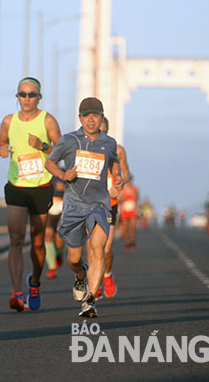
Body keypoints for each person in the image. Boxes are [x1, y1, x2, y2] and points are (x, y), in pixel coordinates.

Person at [45, 97, 123, 318]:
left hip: (99, 205)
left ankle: (90, 300)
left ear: (101, 118)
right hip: (74, 205)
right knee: (74, 259)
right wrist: (62, 174)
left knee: (97, 249)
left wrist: (118, 177)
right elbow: (50, 162)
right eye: (86, 116)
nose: (91, 120)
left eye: (95, 116)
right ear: (80, 118)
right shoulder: (69, 141)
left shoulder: (108, 143)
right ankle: (80, 276)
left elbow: (114, 161)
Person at [0, 77, 62, 311]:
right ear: (17, 96)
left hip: (41, 186)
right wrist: (1, 150)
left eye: (31, 95)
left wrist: (43, 146)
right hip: (16, 184)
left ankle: (35, 282)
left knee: (37, 240)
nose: (26, 99)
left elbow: (62, 150)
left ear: (39, 97)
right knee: (15, 238)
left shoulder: (48, 120)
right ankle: (16, 292)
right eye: (22, 94)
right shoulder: (8, 121)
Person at [94, 116, 130, 300]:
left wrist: (120, 186)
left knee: (106, 249)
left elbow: (125, 174)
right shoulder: (83, 148)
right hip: (89, 204)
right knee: (94, 248)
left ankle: (106, 274)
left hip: (110, 204)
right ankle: (95, 283)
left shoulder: (117, 150)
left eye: (103, 130)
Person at [44, 175, 65, 279]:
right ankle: (52, 267)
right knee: (48, 234)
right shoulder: (45, 174)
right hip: (49, 208)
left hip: (62, 209)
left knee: (59, 241)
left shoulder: (64, 172)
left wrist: (65, 187)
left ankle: (58, 253)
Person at [119, 175, 139, 251]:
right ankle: (127, 242)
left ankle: (132, 241)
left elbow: (137, 199)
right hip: (125, 209)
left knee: (132, 226)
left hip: (132, 209)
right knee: (125, 227)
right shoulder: (123, 189)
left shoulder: (135, 189)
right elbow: (120, 200)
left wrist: (137, 209)